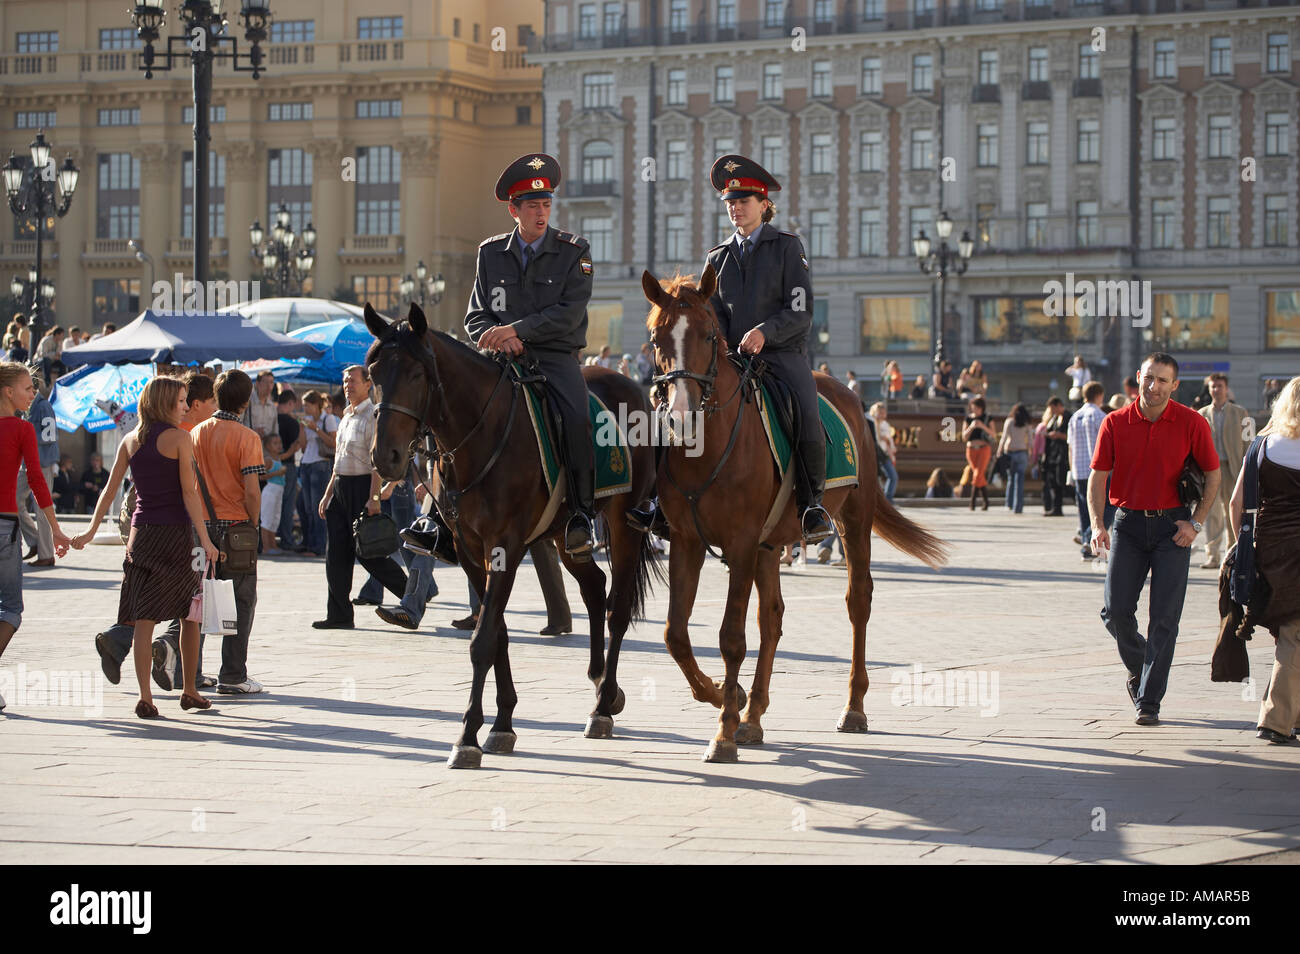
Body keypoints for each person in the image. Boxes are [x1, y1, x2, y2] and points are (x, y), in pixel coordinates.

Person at [463, 152, 600, 558]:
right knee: (454, 413)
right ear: (514, 210)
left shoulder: (575, 250)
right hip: (502, 359)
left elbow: (568, 313)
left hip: (555, 357)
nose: (542, 213)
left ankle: (580, 513)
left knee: (577, 418)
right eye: (533, 206)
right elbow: (475, 312)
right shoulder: (490, 253)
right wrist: (492, 333)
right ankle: (438, 516)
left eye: (546, 205)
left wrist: (517, 330)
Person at [700, 153, 831, 542]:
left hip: (780, 356)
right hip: (733, 359)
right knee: (681, 407)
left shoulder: (788, 246)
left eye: (743, 202)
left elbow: (800, 309)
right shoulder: (717, 257)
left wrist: (764, 332)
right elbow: (714, 310)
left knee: (807, 410)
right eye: (730, 203)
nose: (736, 209)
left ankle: (812, 505)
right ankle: (663, 501)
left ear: (764, 205)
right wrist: (721, 343)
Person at [71, 376, 220, 717]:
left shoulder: (130, 440)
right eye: (181, 400)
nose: (185, 406)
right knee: (189, 613)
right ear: (166, 402)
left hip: (141, 535)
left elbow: (109, 492)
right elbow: (189, 493)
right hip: (176, 534)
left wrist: (91, 531)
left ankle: (145, 696)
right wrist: (207, 539)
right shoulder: (181, 438)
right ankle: (190, 690)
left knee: (143, 618)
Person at [1089, 352, 1221, 726]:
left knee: (1164, 618)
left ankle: (1148, 700)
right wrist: (1098, 524)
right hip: (1127, 525)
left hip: (1172, 529)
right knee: (1115, 610)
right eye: (1149, 378)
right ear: (1138, 378)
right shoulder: (1115, 422)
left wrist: (1194, 523)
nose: (1155, 386)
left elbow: (1213, 475)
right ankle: (1143, 667)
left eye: (1163, 380)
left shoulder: (1191, 422)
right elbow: (1098, 477)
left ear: (1175, 385)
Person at [1228, 377, 1300, 743]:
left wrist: (1242, 548)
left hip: (1269, 547)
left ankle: (1292, 714)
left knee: (1290, 629)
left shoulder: (1262, 445)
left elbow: (1236, 504)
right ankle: (1274, 720)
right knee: (1294, 633)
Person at [0, 362, 72, 710]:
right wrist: (56, 530)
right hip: (4, 526)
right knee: (11, 608)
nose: (33, 393)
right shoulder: (22, 429)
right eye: (28, 388)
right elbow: (39, 484)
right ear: (8, 392)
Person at [189, 369, 266, 694]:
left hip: (200, 527)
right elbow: (251, 490)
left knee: (197, 601)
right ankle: (233, 674)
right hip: (235, 529)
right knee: (241, 600)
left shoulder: (195, 433)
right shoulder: (247, 438)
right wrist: (254, 522)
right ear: (246, 402)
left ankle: (190, 672)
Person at [313, 365, 407, 629]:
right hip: (341, 486)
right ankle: (339, 615)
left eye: (352, 380)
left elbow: (376, 462)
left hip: (363, 487)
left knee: (369, 552)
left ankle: (412, 596)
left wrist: (374, 497)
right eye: (344, 381)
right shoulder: (345, 417)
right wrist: (328, 493)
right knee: (336, 556)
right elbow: (338, 459)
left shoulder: (373, 416)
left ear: (368, 384)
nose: (347, 385)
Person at [1197, 372, 1248, 570]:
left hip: (1233, 468)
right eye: (1213, 386)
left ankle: (1231, 551)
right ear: (1209, 389)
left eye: (1219, 386)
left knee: (1232, 509)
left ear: (1226, 388)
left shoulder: (1240, 413)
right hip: (1210, 470)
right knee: (1212, 513)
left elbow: (1248, 442)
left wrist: (1248, 466)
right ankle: (1212, 555)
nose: (1216, 389)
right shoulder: (1201, 414)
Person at [19, 363, 59, 566]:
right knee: (15, 500)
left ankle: (45, 554)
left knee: (41, 507)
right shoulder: (29, 406)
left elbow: (49, 435)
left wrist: (24, 436)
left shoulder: (43, 406)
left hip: (42, 462)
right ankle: (35, 541)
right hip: (29, 462)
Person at [1068, 381, 1110, 560]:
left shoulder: (1074, 417)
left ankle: (1088, 542)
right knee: (1108, 505)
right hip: (1097, 470)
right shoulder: (1100, 416)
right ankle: (1088, 539)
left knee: (1085, 509)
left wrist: (1071, 468)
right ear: (1099, 395)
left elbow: (1070, 447)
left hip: (1078, 468)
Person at [296, 389, 337, 556]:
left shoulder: (328, 419)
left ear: (316, 405)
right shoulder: (308, 420)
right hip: (306, 463)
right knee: (305, 507)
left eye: (307, 405)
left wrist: (316, 429)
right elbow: (304, 446)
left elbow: (334, 443)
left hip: (321, 465)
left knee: (316, 507)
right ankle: (308, 542)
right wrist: (302, 428)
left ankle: (318, 546)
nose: (305, 409)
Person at [274, 388, 306, 550]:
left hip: (269, 465)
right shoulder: (292, 422)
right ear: (291, 403)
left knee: (271, 505)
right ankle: (286, 539)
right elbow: (298, 444)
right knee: (287, 505)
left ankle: (270, 539)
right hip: (288, 466)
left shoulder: (271, 418)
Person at [996, 403, 1035, 514]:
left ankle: (1009, 504)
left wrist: (999, 450)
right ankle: (1018, 507)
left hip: (1010, 452)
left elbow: (1003, 437)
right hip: (1022, 452)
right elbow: (1031, 441)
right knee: (1020, 481)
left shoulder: (1009, 422)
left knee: (1011, 480)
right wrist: (1031, 453)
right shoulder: (1027, 423)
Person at [962, 396, 996, 511]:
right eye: (973, 408)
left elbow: (993, 434)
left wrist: (982, 426)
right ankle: (986, 501)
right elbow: (964, 437)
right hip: (971, 449)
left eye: (976, 408)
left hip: (984, 448)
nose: (974, 410)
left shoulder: (988, 418)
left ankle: (972, 502)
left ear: (981, 408)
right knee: (979, 475)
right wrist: (972, 427)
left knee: (977, 474)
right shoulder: (968, 419)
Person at [1037, 398, 1070, 516]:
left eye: (1053, 408)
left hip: (1063, 454)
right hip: (1053, 453)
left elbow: (1070, 436)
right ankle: (1057, 507)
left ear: (1059, 405)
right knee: (1054, 482)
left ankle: (1062, 505)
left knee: (1062, 482)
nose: (1053, 411)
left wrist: (1059, 435)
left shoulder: (1068, 417)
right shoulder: (1055, 418)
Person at [259, 432, 287, 555]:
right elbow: (261, 477)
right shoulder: (268, 460)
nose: (279, 445)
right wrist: (277, 474)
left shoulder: (278, 459)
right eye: (275, 443)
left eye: (279, 443)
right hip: (270, 490)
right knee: (267, 518)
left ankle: (273, 545)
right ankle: (266, 547)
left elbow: (289, 453)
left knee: (275, 518)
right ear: (268, 446)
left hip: (278, 491)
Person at [869, 402, 898, 500]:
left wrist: (892, 450)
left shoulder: (886, 424)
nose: (882, 414)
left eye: (883, 412)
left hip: (885, 454)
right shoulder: (872, 422)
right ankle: (885, 499)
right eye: (880, 412)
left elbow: (889, 439)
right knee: (879, 478)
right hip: (876, 454)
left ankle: (887, 499)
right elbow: (876, 439)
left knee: (892, 477)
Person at [247, 370, 278, 439]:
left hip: (265, 448)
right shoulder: (247, 403)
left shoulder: (272, 407)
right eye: (265, 382)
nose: (269, 386)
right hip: (249, 444)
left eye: (271, 382)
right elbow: (239, 425)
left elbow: (275, 431)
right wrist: (252, 432)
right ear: (257, 384)